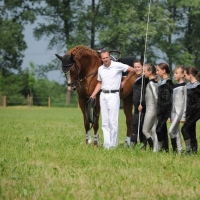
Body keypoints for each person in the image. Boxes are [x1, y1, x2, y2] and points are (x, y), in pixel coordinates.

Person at [90, 50, 135, 149]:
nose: (105, 59)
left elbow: (132, 70)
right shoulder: (100, 69)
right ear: (101, 59)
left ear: (110, 57)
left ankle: (113, 145)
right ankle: (107, 145)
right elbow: (99, 83)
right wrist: (93, 94)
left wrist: (124, 81)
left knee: (113, 121)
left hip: (114, 95)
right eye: (103, 58)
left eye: (107, 57)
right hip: (103, 95)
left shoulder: (117, 65)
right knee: (105, 122)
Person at [181, 66, 200, 155]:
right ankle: (194, 151)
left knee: (184, 129)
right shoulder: (187, 85)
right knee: (191, 131)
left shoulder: (198, 86)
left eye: (185, 75)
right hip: (189, 112)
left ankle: (188, 150)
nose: (184, 77)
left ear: (190, 75)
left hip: (196, 112)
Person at [130, 59, 149, 148]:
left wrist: (143, 104)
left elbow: (147, 93)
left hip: (142, 108)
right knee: (134, 126)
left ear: (143, 67)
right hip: (136, 108)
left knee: (141, 128)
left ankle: (142, 147)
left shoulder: (145, 78)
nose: (137, 69)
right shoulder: (137, 78)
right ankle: (134, 146)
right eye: (135, 67)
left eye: (138, 67)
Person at [168, 66, 186, 154]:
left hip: (180, 111)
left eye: (177, 73)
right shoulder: (174, 86)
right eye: (174, 73)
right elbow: (173, 101)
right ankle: (179, 151)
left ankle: (176, 149)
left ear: (182, 75)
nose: (175, 75)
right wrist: (170, 115)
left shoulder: (184, 86)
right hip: (173, 111)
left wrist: (183, 116)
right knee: (176, 131)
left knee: (171, 130)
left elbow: (185, 101)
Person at [156, 63, 173, 152]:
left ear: (164, 71)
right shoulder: (159, 82)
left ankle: (159, 147)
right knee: (163, 129)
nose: (157, 72)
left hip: (166, 109)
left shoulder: (168, 82)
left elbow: (174, 96)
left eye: (158, 70)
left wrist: (171, 113)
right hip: (159, 109)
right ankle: (165, 149)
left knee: (158, 129)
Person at [142, 63, 158, 152]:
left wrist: (158, 107)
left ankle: (152, 146)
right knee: (153, 129)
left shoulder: (151, 83)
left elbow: (156, 96)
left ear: (150, 72)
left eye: (144, 71)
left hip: (151, 109)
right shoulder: (154, 82)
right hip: (153, 108)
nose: (143, 73)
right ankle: (156, 149)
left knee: (145, 130)